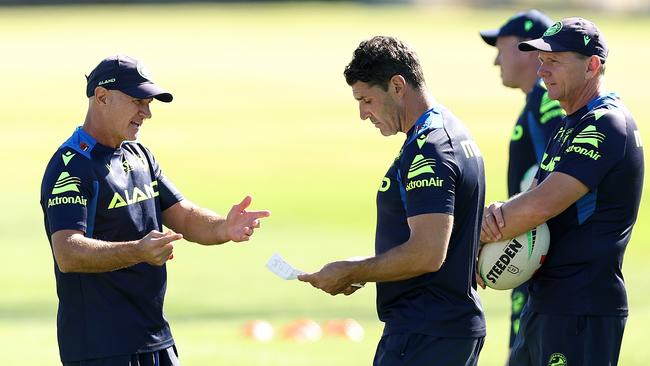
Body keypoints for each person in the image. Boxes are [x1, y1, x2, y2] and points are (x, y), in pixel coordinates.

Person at [40, 55, 271, 366]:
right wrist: (139, 251)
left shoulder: (140, 156)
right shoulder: (70, 167)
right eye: (138, 101)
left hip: (155, 338)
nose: (146, 113)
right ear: (102, 97)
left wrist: (221, 228)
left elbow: (184, 215)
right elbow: (67, 252)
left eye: (149, 103)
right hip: (99, 348)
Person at [298, 36, 486, 366]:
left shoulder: (429, 149)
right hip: (439, 329)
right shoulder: (449, 130)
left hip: (426, 333)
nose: (362, 113)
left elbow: (427, 254)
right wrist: (361, 271)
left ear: (397, 86)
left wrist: (353, 270)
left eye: (366, 99)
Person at [482, 17, 644, 365]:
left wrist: (478, 234)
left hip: (582, 308)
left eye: (554, 61)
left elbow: (542, 204)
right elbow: (531, 197)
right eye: (541, 61)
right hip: (547, 303)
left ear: (593, 66)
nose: (543, 71)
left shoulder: (606, 124)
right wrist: (498, 213)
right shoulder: (569, 125)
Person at [479, 9, 565, 352]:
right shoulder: (537, 99)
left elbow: (555, 171)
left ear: (529, 49)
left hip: (538, 254)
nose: (497, 61)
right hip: (528, 245)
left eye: (502, 48)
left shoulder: (546, 100)